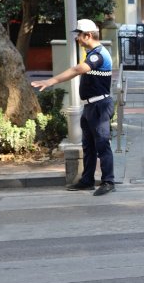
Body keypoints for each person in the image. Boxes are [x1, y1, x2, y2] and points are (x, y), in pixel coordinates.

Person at [31, 19, 115, 196]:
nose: (77, 38)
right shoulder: (92, 52)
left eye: (79, 35)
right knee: (88, 146)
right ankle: (87, 181)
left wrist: (51, 81)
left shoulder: (98, 55)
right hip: (91, 106)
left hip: (100, 106)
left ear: (88, 35)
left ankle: (108, 181)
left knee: (102, 146)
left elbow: (77, 70)